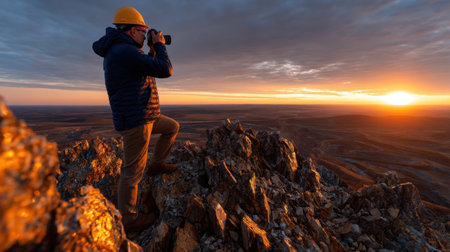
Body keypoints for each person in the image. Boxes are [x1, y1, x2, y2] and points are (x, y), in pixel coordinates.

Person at [92, 6, 179, 233]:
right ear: (131, 31)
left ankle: (157, 163)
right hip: (137, 120)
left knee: (172, 127)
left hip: (145, 114)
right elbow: (166, 69)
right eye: (143, 31)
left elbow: (146, 69)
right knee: (132, 172)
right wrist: (159, 45)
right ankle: (129, 220)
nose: (145, 34)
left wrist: (151, 49)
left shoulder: (123, 50)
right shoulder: (124, 51)